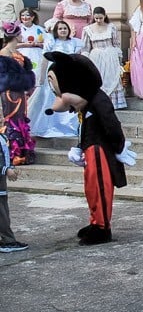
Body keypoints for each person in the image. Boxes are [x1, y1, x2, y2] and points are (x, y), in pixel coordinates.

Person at [45, 51, 131, 246]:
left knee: (100, 188)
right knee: (91, 188)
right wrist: (79, 147)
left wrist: (119, 146)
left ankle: (102, 228)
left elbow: (112, 124)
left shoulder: (98, 100)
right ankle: (95, 222)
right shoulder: (84, 104)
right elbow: (84, 127)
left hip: (100, 151)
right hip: (90, 149)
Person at [28, 21, 82, 139]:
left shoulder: (74, 42)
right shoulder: (52, 42)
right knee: (50, 98)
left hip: (68, 74)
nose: (63, 30)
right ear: (56, 31)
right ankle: (48, 126)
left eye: (65, 28)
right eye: (60, 29)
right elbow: (45, 60)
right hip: (54, 73)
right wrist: (41, 78)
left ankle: (67, 127)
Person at [0, 21, 36, 166]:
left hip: (19, 92)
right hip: (10, 93)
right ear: (16, 36)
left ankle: (20, 151)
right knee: (12, 120)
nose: (22, 36)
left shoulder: (16, 52)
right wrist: (22, 80)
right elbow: (3, 77)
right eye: (20, 33)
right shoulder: (4, 53)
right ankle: (11, 152)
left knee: (21, 118)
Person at [82, 7, 127, 110]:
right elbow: (85, 47)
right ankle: (99, 103)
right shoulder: (88, 29)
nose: (98, 20)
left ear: (105, 16)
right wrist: (86, 60)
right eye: (96, 18)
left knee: (112, 77)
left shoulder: (111, 27)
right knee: (99, 77)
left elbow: (116, 44)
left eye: (100, 18)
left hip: (110, 55)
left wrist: (119, 58)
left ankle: (114, 103)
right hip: (96, 56)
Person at [0, 132, 25, 252]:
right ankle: (8, 241)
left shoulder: (3, 137)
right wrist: (5, 169)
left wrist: (10, 168)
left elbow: (5, 155)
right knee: (1, 211)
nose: (1, 119)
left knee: (3, 207)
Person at [17, 9, 45, 84]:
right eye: (22, 15)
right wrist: (25, 44)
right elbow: (11, 44)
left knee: (36, 73)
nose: (24, 17)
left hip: (37, 55)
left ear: (32, 17)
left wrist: (38, 44)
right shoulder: (17, 29)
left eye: (27, 15)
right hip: (21, 54)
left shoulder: (40, 29)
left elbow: (47, 44)